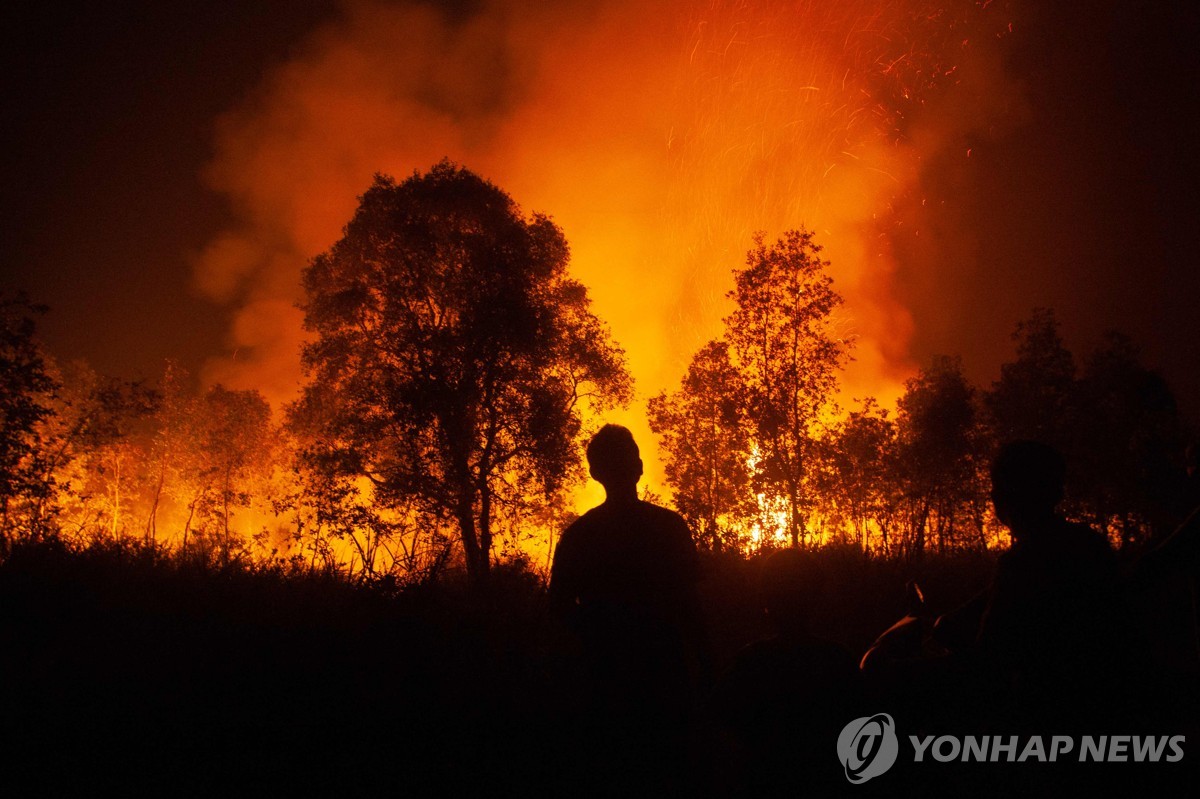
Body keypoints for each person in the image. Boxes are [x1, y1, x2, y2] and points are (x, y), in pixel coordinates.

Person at [975, 440, 1123, 728]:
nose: (991, 495)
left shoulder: (1021, 562)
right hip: (1100, 706)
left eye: (996, 486)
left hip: (1042, 714)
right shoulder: (1091, 545)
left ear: (1007, 495)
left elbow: (989, 655)